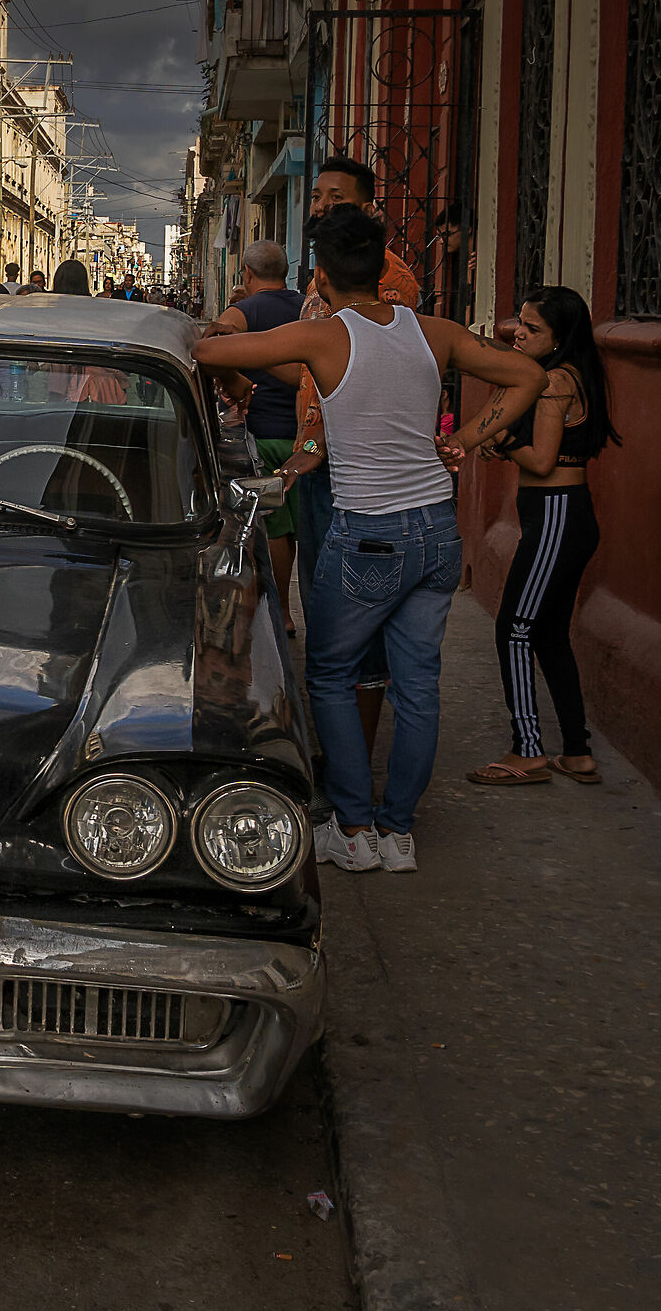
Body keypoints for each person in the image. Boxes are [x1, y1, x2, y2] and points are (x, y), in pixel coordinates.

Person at [197, 208, 545, 874]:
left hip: (369, 533)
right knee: (418, 684)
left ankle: (354, 831)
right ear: (384, 265)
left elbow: (210, 351)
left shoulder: (323, 336)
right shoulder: (435, 332)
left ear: (321, 275)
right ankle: (398, 833)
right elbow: (525, 376)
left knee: (331, 674)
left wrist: (220, 327)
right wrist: (465, 440)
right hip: (437, 530)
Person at [287, 155, 425, 756]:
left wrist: (313, 444)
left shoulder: (382, 281)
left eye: (335, 197)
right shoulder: (322, 278)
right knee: (325, 606)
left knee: (352, 620)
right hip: (322, 463)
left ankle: (351, 762)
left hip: (354, 470)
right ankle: (338, 745)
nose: (320, 205)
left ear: (369, 209)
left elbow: (355, 370)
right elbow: (310, 370)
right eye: (317, 196)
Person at [462, 287, 620, 788]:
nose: (518, 333)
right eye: (520, 323)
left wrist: (504, 441)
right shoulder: (566, 375)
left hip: (556, 514)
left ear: (559, 338)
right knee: (548, 634)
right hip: (563, 516)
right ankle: (577, 753)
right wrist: (507, 442)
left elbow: (543, 461)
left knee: (514, 627)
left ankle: (528, 750)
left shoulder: (554, 381)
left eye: (533, 329)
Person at [208, 240, 305, 633]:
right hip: (307, 441)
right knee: (300, 531)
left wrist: (238, 382)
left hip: (260, 439)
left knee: (276, 530)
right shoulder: (309, 307)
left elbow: (213, 349)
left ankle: (281, 612)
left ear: (246, 274)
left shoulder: (243, 311)